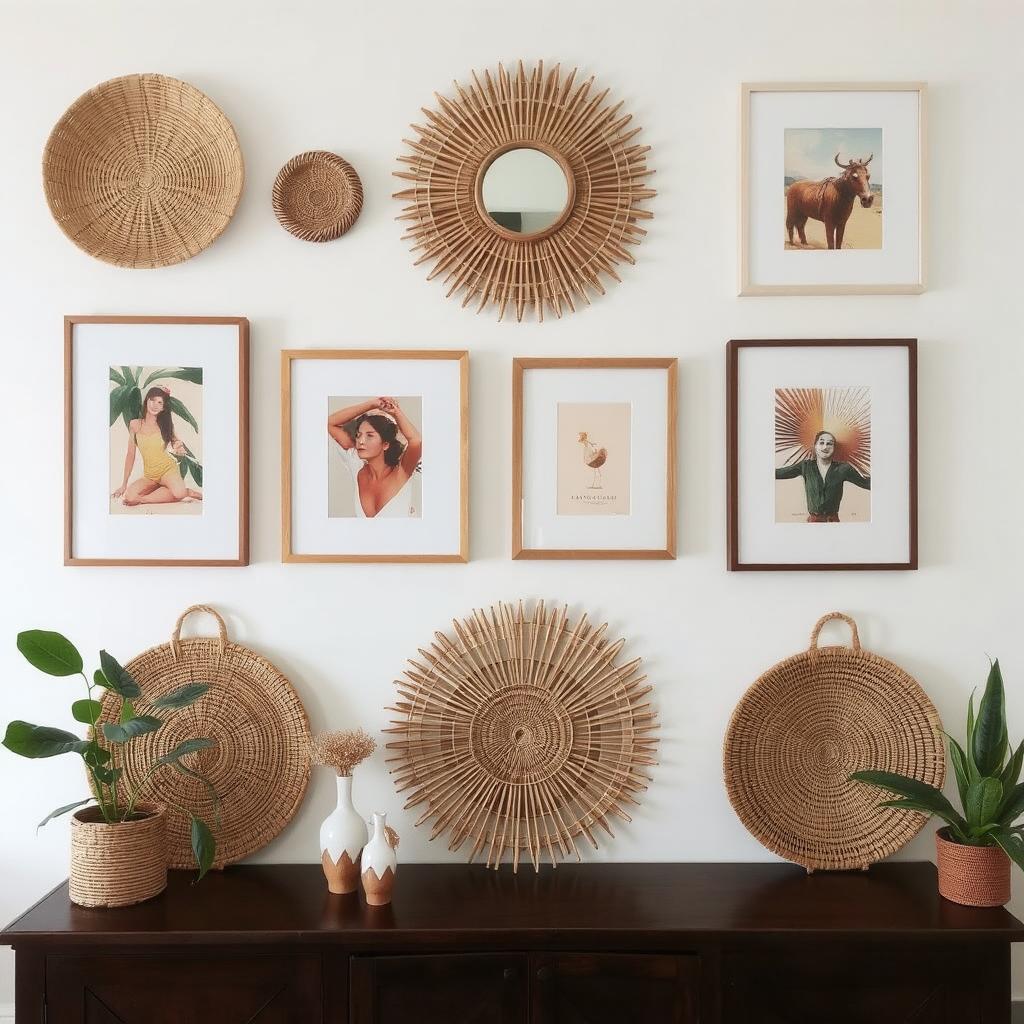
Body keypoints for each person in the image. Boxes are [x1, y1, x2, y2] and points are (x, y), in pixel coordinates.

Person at [327, 397, 422, 518]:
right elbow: (330, 423)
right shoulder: (356, 463)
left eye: (369, 436)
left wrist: (395, 412)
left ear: (385, 444)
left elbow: (416, 441)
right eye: (358, 435)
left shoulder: (402, 471)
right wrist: (372, 404)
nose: (361, 441)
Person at [111, 386, 202, 507]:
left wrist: (179, 447)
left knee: (179, 493)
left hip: (168, 471)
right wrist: (124, 484)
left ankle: (184, 492)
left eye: (160, 402)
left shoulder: (165, 425)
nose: (155, 405)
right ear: (146, 401)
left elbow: (176, 443)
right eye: (152, 400)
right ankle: (169, 492)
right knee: (128, 496)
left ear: (163, 407)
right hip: (150, 475)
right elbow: (130, 455)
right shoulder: (134, 424)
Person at [774, 430, 869, 523]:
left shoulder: (843, 469)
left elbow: (868, 483)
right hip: (813, 523)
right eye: (821, 442)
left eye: (829, 444)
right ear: (815, 446)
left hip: (833, 522)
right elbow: (780, 473)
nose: (825, 447)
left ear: (834, 448)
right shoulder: (806, 466)